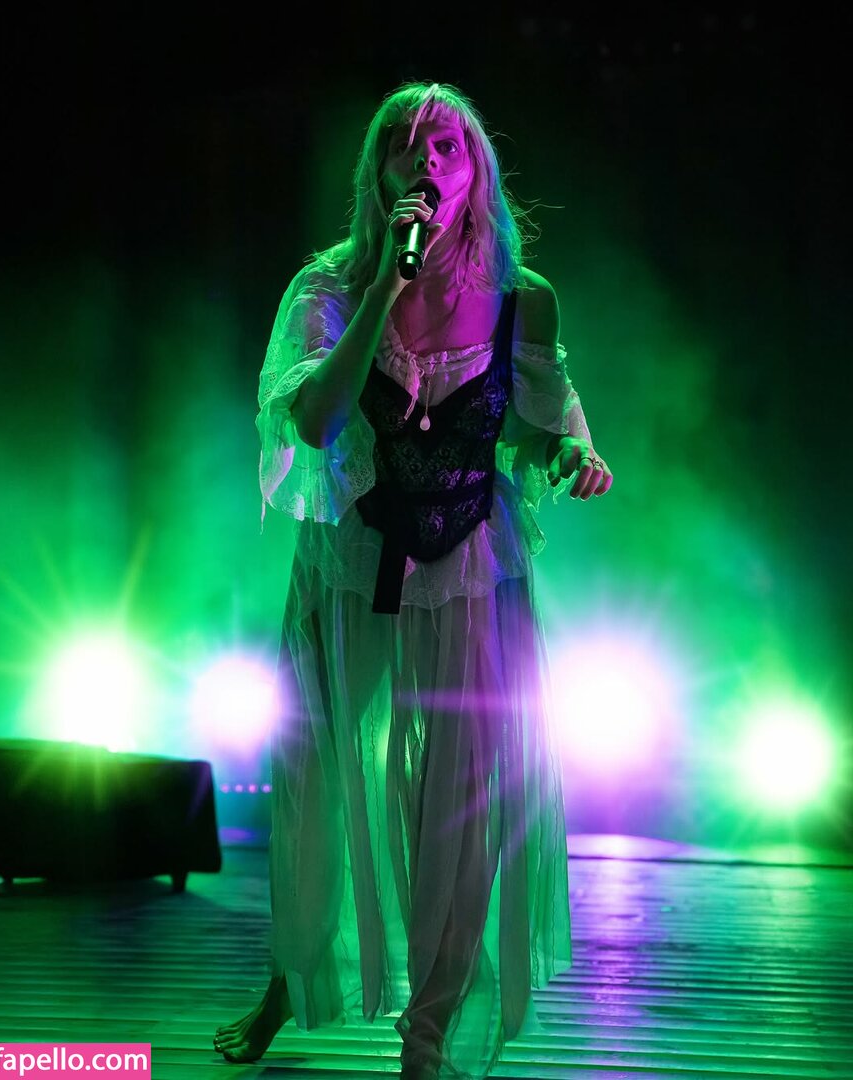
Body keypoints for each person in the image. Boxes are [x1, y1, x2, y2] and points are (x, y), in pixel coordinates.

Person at [214, 79, 612, 1080]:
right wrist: (387, 290)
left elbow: (535, 423)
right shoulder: (330, 288)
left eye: (446, 146)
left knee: (464, 798)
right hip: (356, 565)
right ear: (380, 172)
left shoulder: (523, 299)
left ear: (476, 171)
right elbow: (314, 422)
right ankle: (292, 977)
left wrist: (570, 451)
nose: (426, 162)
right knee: (318, 777)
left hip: (471, 566)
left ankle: (429, 1026)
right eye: (406, 145)